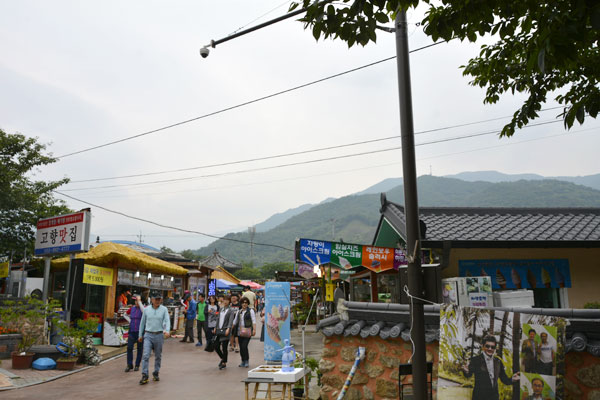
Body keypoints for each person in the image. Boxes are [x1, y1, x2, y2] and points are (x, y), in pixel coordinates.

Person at [462, 335, 519, 400]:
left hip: (494, 397)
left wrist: (512, 379)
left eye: (492, 347)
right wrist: (466, 371)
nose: (490, 349)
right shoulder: (475, 360)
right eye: (487, 346)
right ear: (483, 346)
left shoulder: (498, 362)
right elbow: (469, 374)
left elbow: (504, 379)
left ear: (495, 348)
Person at [138, 292, 171, 385]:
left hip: (159, 335)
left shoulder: (164, 309)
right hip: (148, 335)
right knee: (146, 355)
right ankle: (145, 375)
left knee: (158, 356)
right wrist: (140, 335)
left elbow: (167, 320)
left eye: (159, 299)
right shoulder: (146, 310)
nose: (157, 301)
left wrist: (167, 330)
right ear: (151, 300)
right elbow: (142, 323)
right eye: (156, 299)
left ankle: (156, 372)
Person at [213, 295, 235, 370]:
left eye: (227, 300)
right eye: (224, 300)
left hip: (225, 330)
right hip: (219, 330)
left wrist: (228, 329)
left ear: (229, 301)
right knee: (216, 346)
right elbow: (218, 319)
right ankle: (223, 359)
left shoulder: (231, 310)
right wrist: (215, 327)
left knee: (224, 347)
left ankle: (224, 363)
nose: (225, 301)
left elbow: (230, 320)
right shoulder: (221, 309)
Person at [233, 297, 256, 367]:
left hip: (248, 331)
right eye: (243, 302)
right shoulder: (239, 311)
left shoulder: (250, 311)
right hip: (240, 331)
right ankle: (243, 360)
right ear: (241, 303)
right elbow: (235, 321)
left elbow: (254, 321)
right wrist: (230, 328)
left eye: (246, 303)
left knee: (244, 346)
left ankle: (246, 360)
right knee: (241, 347)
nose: (244, 304)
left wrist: (254, 330)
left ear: (248, 304)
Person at [125, 295, 145, 372]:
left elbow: (144, 311)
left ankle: (137, 365)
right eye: (135, 300)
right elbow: (125, 314)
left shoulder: (144, 309)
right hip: (132, 331)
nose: (136, 302)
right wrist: (130, 321)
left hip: (140, 332)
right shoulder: (132, 308)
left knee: (139, 349)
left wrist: (140, 303)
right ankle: (129, 364)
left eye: (137, 300)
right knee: (129, 348)